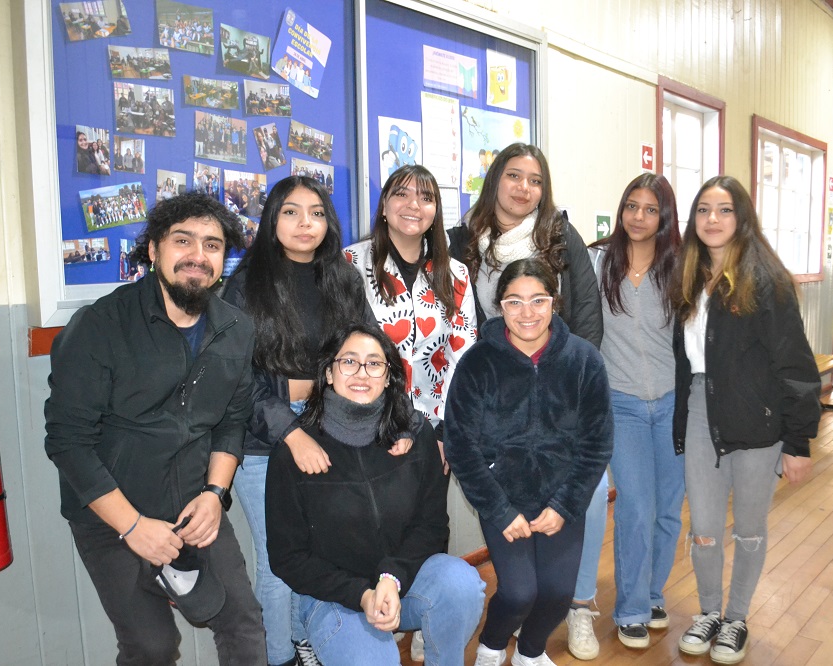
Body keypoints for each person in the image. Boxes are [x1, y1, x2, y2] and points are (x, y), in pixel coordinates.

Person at [44, 192, 267, 665]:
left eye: (212, 245)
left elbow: (233, 419)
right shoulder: (97, 326)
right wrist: (132, 527)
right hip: (111, 510)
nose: (197, 256)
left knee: (242, 622)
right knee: (152, 646)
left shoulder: (236, 328)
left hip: (193, 501)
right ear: (153, 249)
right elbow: (68, 442)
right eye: (182, 241)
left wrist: (214, 493)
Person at [221, 176, 392, 666]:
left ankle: (302, 641)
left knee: (314, 549)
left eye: (316, 212)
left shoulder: (342, 278)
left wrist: (390, 421)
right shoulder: (245, 283)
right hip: (263, 438)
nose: (304, 223)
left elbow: (369, 349)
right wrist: (290, 431)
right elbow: (238, 380)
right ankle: (278, 658)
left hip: (327, 424)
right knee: (278, 564)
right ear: (272, 219)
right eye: (291, 211)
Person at [266, 323, 486, 665]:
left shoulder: (412, 436)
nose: (361, 373)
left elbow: (431, 527)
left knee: (462, 585)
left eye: (374, 363)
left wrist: (391, 578)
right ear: (327, 373)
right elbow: (288, 557)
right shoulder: (295, 453)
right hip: (334, 598)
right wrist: (362, 594)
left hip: (401, 582)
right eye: (349, 362)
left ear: (387, 376)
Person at [671, 176, 821, 664]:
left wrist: (798, 442)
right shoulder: (688, 276)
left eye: (725, 210)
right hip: (701, 410)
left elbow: (796, 366)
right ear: (693, 220)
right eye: (703, 210)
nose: (712, 219)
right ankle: (709, 612)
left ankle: (736, 618)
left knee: (750, 527)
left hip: (758, 422)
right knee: (706, 528)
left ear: (742, 218)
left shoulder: (766, 281)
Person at [445, 258, 613, 666]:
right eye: (514, 302)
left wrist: (565, 506)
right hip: (503, 498)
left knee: (557, 594)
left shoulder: (585, 360)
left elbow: (597, 443)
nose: (527, 313)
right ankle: (492, 642)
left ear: (554, 303)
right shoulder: (477, 363)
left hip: (563, 497)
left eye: (538, 300)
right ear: (500, 306)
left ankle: (530, 652)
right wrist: (500, 510)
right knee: (519, 592)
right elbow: (461, 445)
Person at [568, 174, 683, 658]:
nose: (638, 216)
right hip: (622, 404)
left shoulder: (680, 268)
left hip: (675, 403)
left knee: (667, 511)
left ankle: (654, 594)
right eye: (631, 206)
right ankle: (632, 608)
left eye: (650, 209)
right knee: (635, 506)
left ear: (664, 217)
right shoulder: (598, 263)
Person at [346, 164, 477, 466]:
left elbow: (463, 354)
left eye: (426, 198)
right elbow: (342, 351)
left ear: (435, 212)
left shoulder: (455, 274)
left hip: (433, 427)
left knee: (429, 513)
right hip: (369, 425)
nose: (413, 205)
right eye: (401, 194)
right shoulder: (350, 263)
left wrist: (447, 427)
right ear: (383, 207)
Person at [448, 142, 603, 348]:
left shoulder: (561, 235)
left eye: (535, 181)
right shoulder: (462, 242)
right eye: (514, 176)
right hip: (489, 371)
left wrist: (577, 368)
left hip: (557, 371)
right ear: (495, 180)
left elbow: (587, 312)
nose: (524, 187)